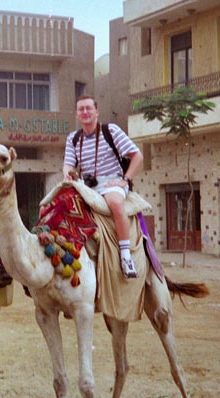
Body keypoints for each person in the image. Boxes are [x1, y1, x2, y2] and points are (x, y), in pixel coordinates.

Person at [63, 95, 144, 278]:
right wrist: (68, 172)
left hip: (111, 182)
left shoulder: (111, 131)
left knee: (115, 203)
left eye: (88, 108)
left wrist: (125, 180)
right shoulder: (73, 138)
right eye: (81, 109)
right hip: (86, 185)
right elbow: (68, 164)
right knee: (55, 204)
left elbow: (137, 156)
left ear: (97, 111)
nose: (85, 112)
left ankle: (126, 256)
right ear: (76, 114)